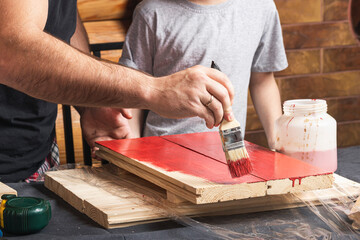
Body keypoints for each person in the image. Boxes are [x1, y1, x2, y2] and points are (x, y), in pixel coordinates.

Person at [0, 0, 235, 183]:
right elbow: (11, 50)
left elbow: (60, 18)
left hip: (35, 155)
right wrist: (155, 89)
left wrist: (91, 102)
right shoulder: (151, 13)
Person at [119, 0, 288, 150]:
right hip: (162, 151)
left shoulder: (262, 7)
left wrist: (278, 139)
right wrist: (130, 148)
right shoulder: (151, 12)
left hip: (228, 152)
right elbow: (134, 92)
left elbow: (263, 81)